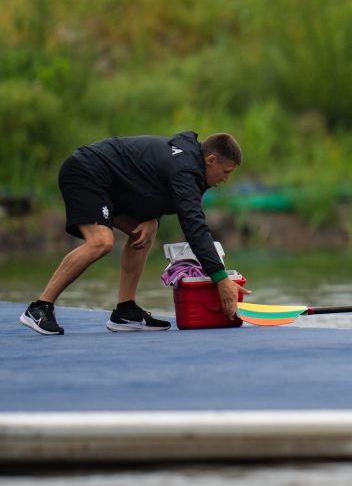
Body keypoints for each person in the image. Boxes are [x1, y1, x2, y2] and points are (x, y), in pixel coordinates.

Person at [20, 131, 249, 335]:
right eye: (225, 172)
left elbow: (152, 182)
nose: (226, 180)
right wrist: (220, 278)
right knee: (101, 242)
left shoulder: (187, 163)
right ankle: (40, 307)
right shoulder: (185, 167)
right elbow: (194, 225)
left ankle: (125, 311)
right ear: (211, 160)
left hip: (112, 185)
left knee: (145, 231)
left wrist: (153, 216)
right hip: (86, 172)